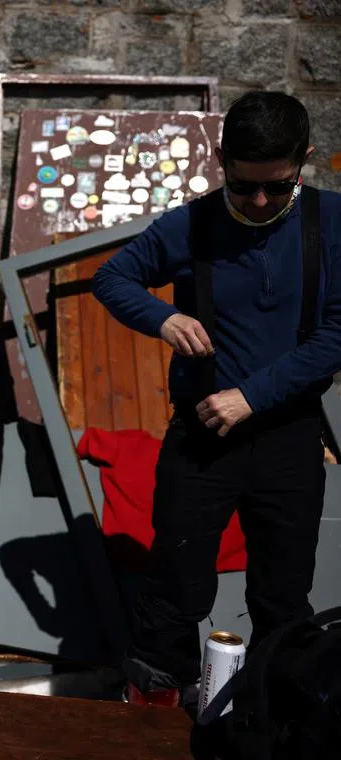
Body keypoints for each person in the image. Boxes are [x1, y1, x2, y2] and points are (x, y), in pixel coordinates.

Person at [92, 91, 341, 707]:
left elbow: (337, 334)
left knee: (282, 596)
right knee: (174, 587)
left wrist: (251, 398)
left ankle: (273, 721)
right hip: (201, 441)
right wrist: (161, 320)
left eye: (277, 189)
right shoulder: (192, 225)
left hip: (288, 440)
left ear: (303, 162)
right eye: (243, 187)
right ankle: (153, 722)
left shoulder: (331, 223)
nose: (259, 203)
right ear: (221, 160)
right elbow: (112, 277)